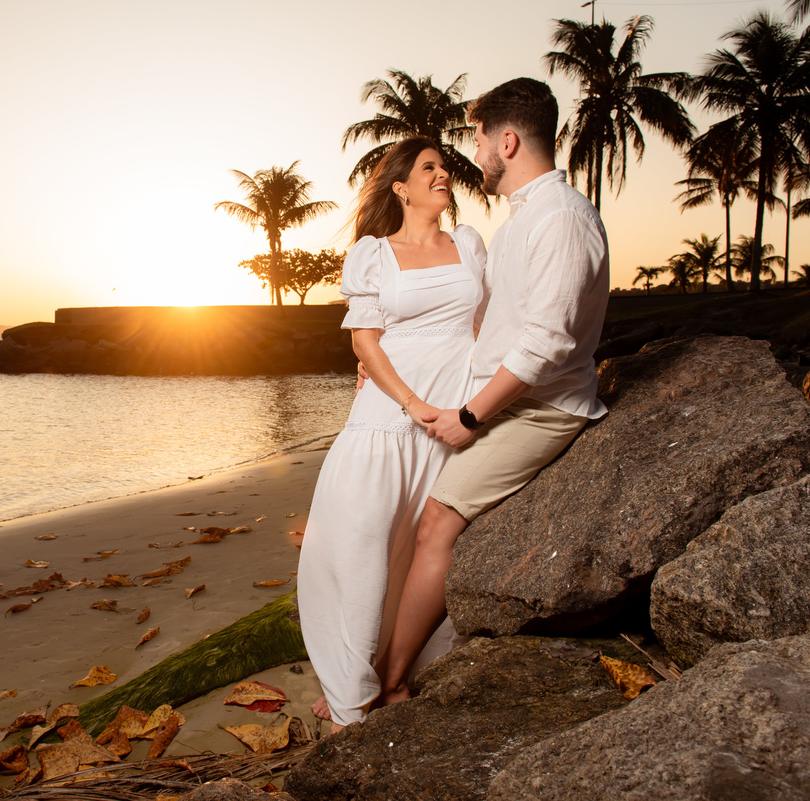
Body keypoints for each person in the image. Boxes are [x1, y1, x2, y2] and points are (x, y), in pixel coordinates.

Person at [372, 77, 611, 706]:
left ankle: (392, 685)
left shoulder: (560, 220)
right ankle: (383, 653)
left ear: (507, 140)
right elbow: (486, 322)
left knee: (437, 520)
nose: (473, 156)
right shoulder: (523, 219)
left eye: (478, 140)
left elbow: (546, 343)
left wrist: (471, 417)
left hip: (542, 408)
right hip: (510, 397)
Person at [296, 136, 487, 732]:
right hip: (389, 415)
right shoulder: (374, 253)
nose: (441, 174)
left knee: (417, 547)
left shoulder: (472, 245)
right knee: (363, 545)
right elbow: (365, 341)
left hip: (454, 417)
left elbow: (487, 326)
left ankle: (384, 670)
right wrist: (411, 403)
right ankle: (350, 686)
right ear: (400, 186)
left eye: (443, 166)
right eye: (427, 167)